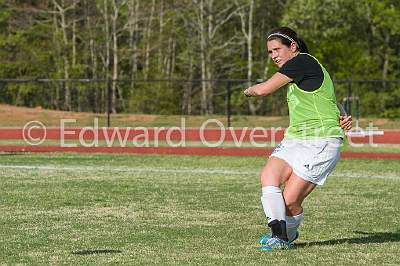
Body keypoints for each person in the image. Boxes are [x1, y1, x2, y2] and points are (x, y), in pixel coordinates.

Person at [243, 27, 352, 250]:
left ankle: (285, 236)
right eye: (269, 52)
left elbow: (263, 90)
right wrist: (340, 112)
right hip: (295, 139)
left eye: (277, 49)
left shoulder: (301, 62)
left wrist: (249, 90)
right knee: (268, 176)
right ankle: (279, 236)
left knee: (290, 202)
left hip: (321, 142)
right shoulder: (301, 69)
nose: (273, 55)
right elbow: (326, 97)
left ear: (293, 47)